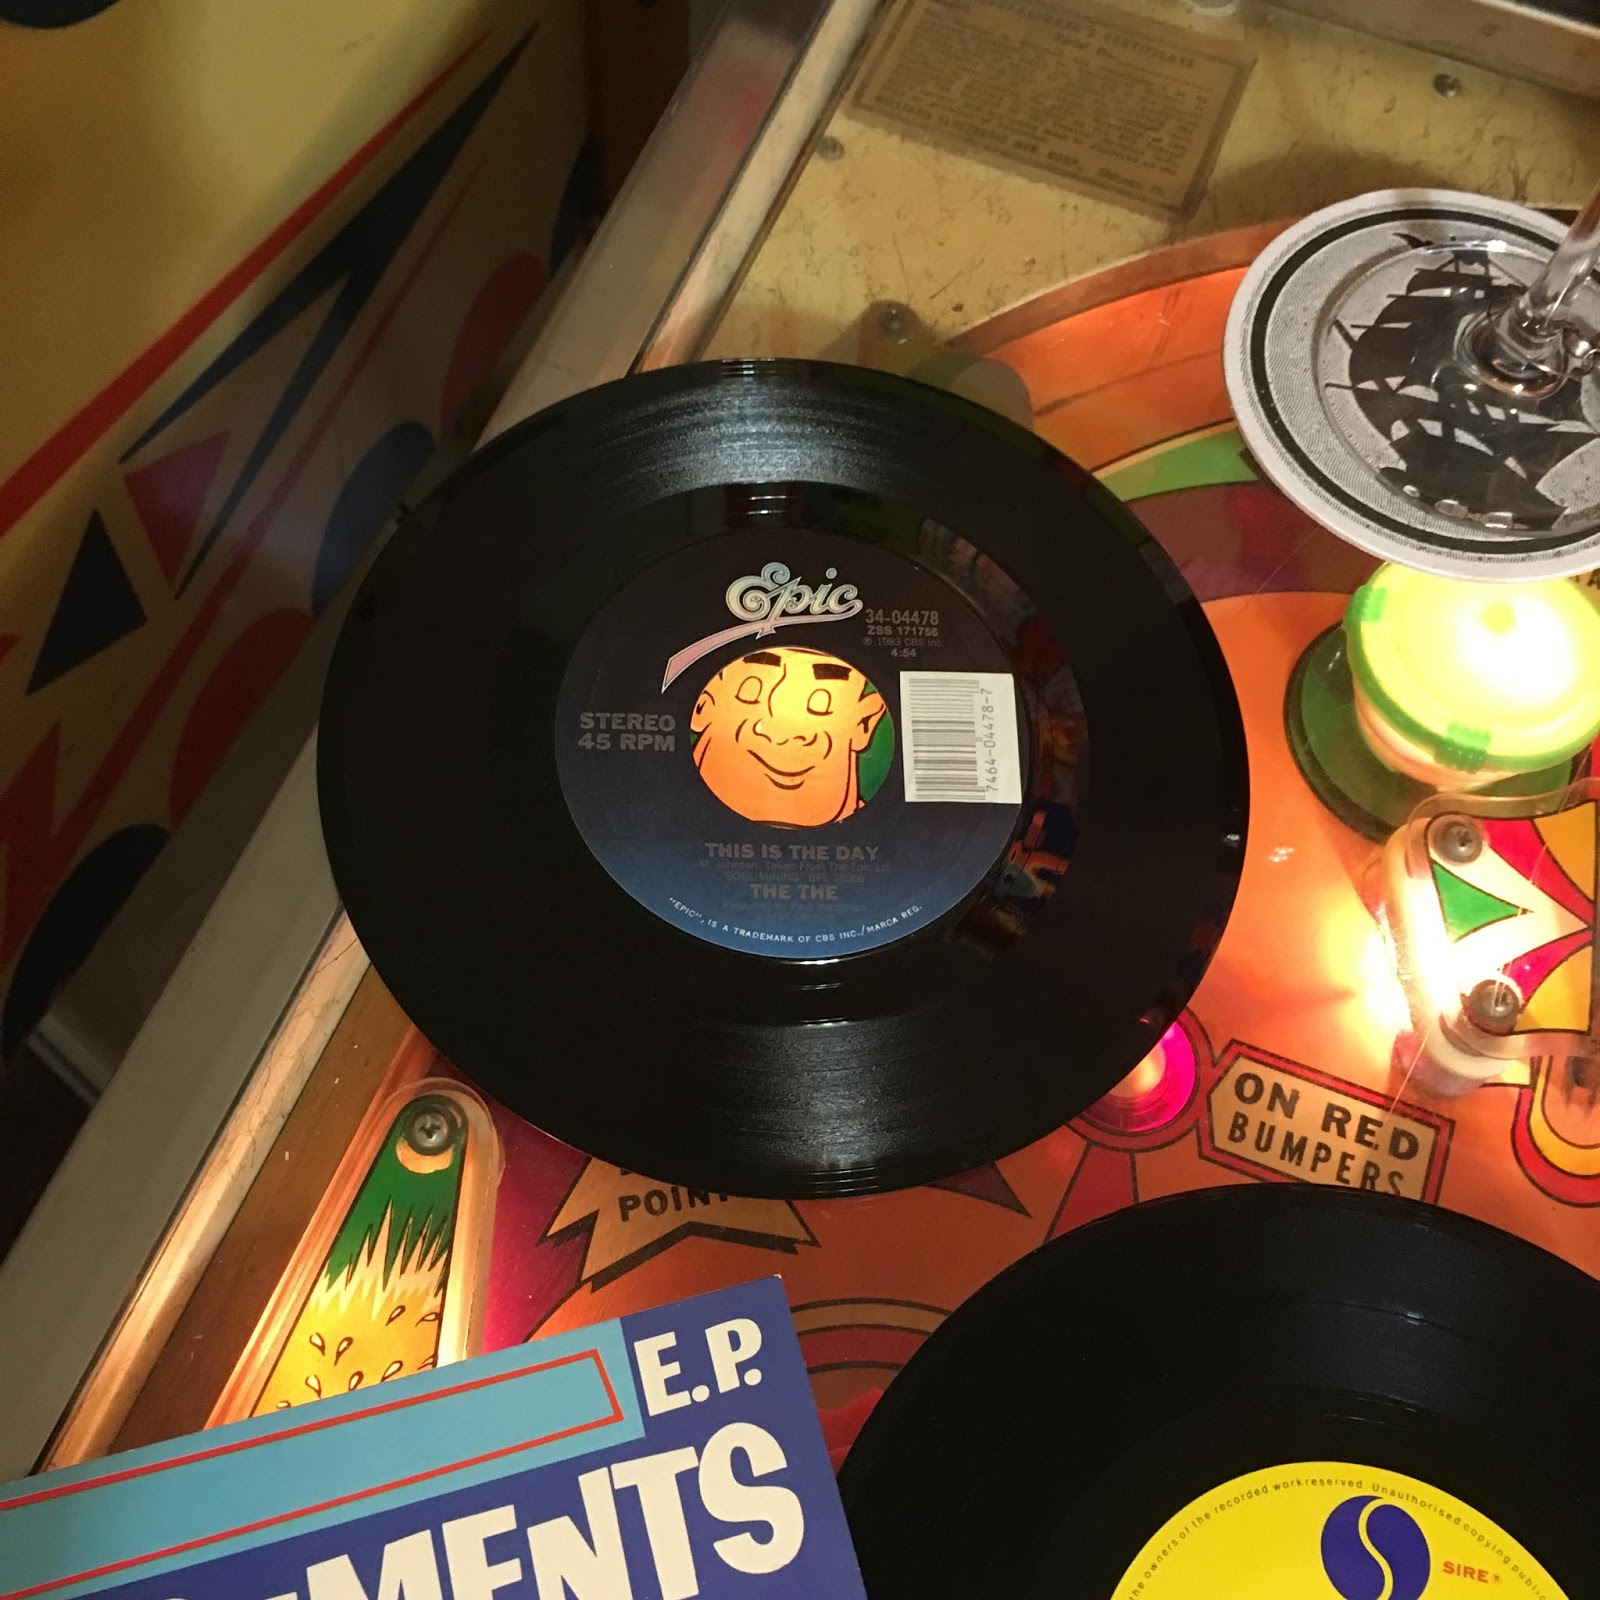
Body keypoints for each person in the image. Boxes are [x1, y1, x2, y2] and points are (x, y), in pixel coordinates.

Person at [690, 646, 887, 827]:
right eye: (752, 691)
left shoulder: (885, 833)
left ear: (865, 723)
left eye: (822, 702)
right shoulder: (675, 821)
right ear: (703, 706)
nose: (781, 736)